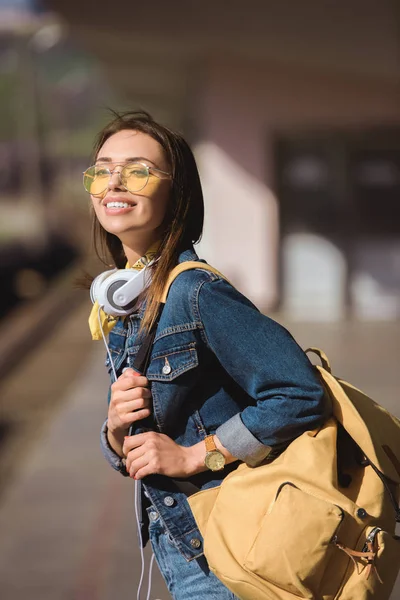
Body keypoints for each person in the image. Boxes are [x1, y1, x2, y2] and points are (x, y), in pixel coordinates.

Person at [84, 110, 329, 600]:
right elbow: (145, 448)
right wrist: (115, 432)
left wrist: (199, 454)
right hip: (182, 545)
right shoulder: (128, 301)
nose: (115, 183)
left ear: (175, 194)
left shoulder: (195, 293)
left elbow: (301, 393)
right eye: (103, 170)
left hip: (227, 555)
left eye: (137, 170)